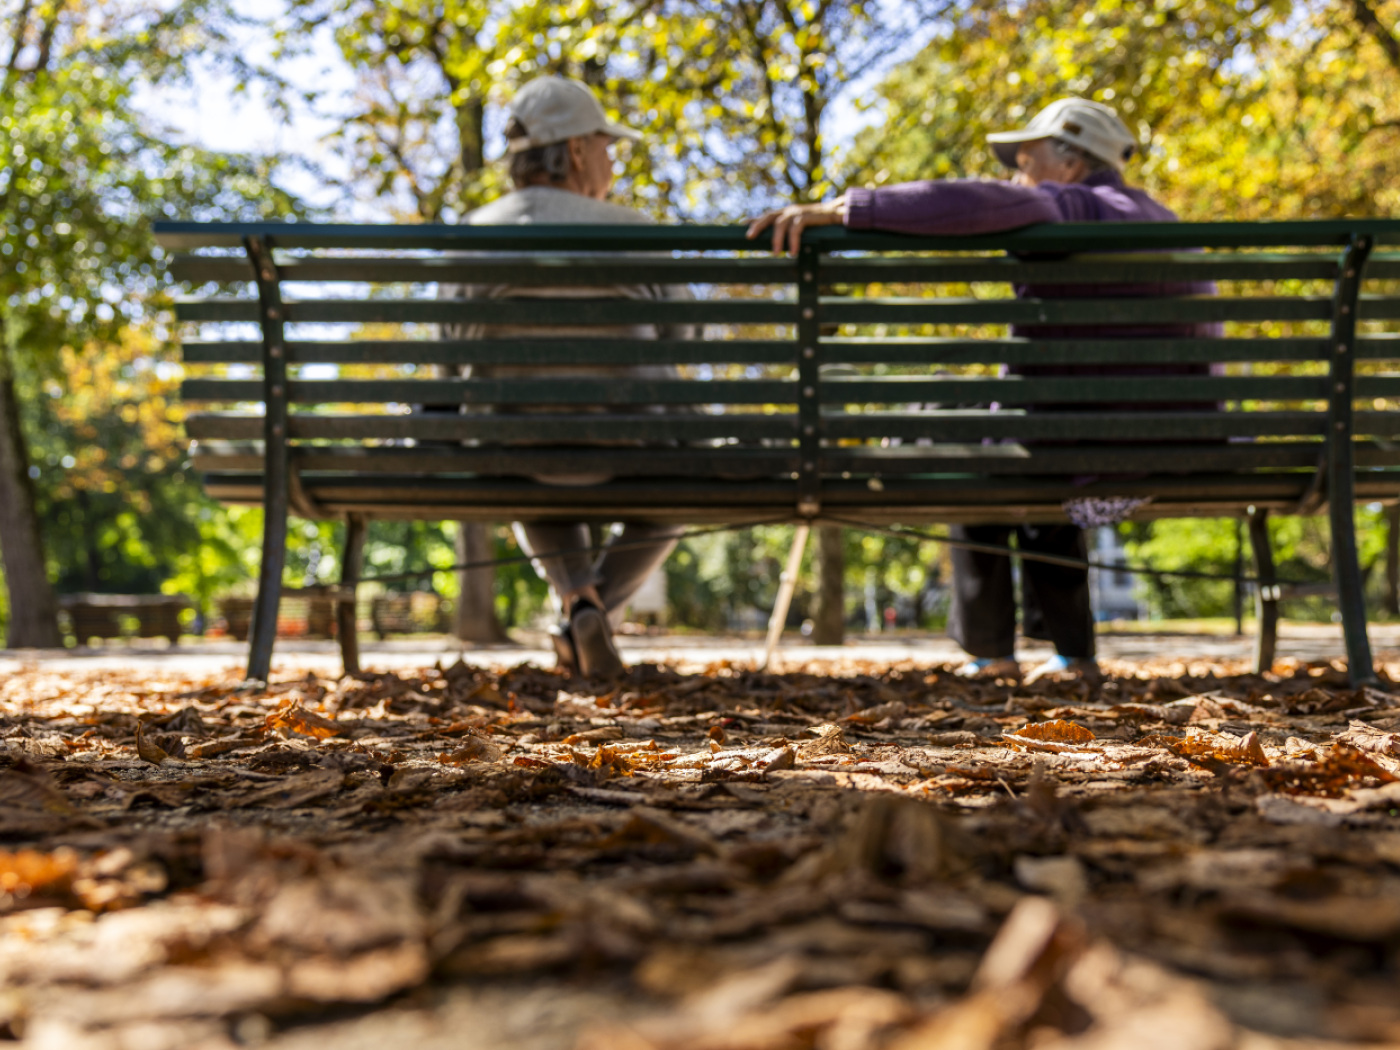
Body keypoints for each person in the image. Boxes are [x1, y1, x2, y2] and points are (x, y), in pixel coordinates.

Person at [747, 98, 1216, 682]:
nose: (1016, 178)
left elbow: (993, 200)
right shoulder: (1167, 221)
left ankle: (992, 651)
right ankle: (1072, 652)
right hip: (1169, 456)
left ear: (1071, 163)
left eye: (1025, 162)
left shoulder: (1077, 205)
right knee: (1012, 427)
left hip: (1085, 458)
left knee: (966, 438)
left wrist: (848, 209)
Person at [439, 75, 689, 679]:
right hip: (637, 447)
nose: (612, 162)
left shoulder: (472, 234)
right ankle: (592, 611)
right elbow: (684, 340)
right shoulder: (637, 231)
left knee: (530, 461)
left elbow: (447, 360)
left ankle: (580, 603)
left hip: (511, 449)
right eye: (607, 146)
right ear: (576, 150)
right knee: (676, 497)